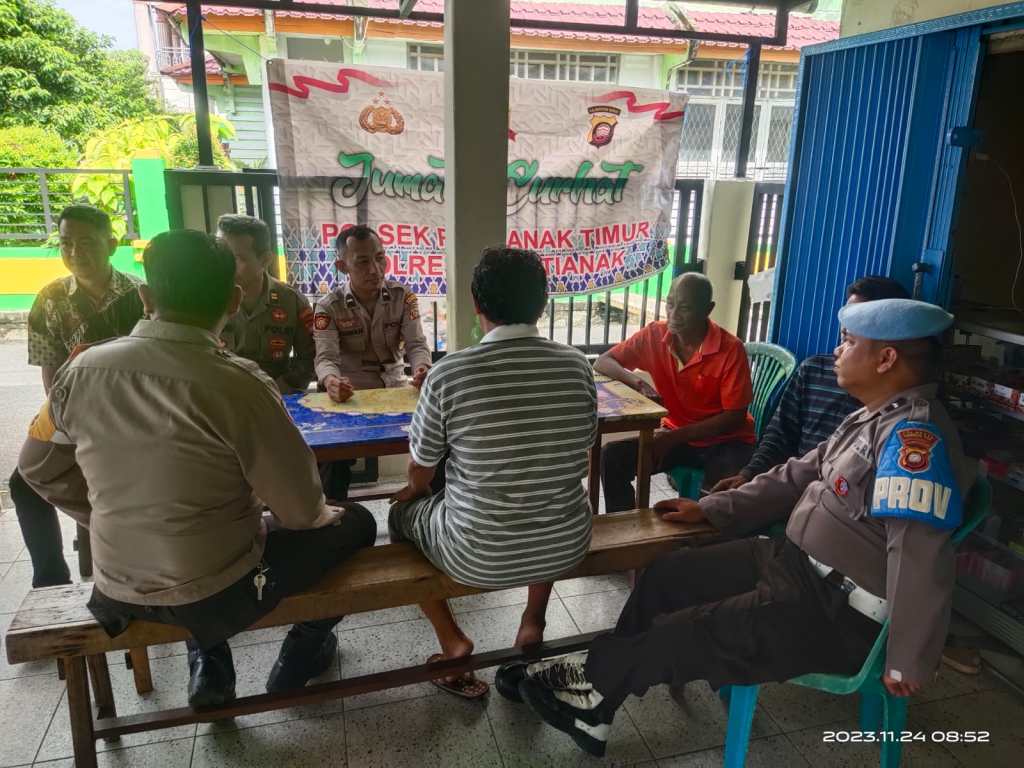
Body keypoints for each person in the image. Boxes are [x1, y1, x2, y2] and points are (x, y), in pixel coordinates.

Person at [514, 298, 976, 758]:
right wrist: (710, 508)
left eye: (850, 342)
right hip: (793, 563)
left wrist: (908, 658)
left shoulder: (915, 440)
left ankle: (594, 682)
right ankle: (599, 700)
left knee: (691, 629)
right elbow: (794, 475)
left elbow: (919, 556)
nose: (838, 350)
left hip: (834, 610)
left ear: (887, 358)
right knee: (667, 574)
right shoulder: (871, 416)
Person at [18, 230, 377, 707]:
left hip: (117, 589)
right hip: (219, 590)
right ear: (233, 300)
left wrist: (110, 513)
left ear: (146, 297)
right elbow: (300, 510)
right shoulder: (241, 383)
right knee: (359, 522)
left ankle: (211, 664)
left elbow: (36, 469)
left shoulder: (81, 371)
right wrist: (315, 512)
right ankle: (302, 651)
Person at [388, 246, 598, 699]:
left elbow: (421, 469)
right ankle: (533, 621)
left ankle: (453, 641)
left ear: (475, 303)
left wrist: (414, 493)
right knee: (543, 492)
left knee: (398, 519)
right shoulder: (577, 365)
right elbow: (582, 447)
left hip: (477, 555)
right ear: (542, 302)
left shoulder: (450, 374)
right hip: (566, 544)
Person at [10, 204, 144, 588]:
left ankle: (118, 533)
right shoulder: (49, 299)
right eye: (66, 243)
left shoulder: (140, 295)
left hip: (134, 413)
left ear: (111, 245)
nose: (74, 252)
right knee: (25, 481)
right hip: (74, 411)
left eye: (87, 243)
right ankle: (50, 577)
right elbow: (50, 370)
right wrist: (66, 420)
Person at [711, 276, 910, 493]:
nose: (844, 328)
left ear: (886, 355)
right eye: (846, 314)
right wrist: (748, 476)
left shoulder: (893, 410)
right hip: (790, 489)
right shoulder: (813, 371)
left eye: (857, 320)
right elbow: (779, 435)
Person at [595, 273, 755, 512]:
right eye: (670, 304)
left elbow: (734, 417)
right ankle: (627, 528)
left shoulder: (731, 349)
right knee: (612, 458)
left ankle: (700, 535)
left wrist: (672, 438)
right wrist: (637, 383)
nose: (673, 314)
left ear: (708, 309)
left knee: (718, 500)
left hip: (727, 441)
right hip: (678, 436)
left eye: (685, 308)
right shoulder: (654, 336)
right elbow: (604, 361)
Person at [312, 224, 433, 499]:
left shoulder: (403, 297)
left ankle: (432, 506)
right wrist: (331, 382)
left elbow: (416, 345)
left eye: (380, 258)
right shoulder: (328, 306)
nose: (375, 270)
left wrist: (422, 369)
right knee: (332, 461)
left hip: (397, 390)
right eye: (363, 262)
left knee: (439, 439)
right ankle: (335, 513)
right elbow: (326, 358)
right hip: (352, 394)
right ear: (342, 266)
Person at [218, 214, 316, 394]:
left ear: (265, 260)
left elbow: (310, 357)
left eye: (237, 259)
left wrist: (277, 390)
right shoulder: (209, 299)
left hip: (277, 395)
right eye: (222, 257)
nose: (226, 266)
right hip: (223, 395)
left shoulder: (291, 301)